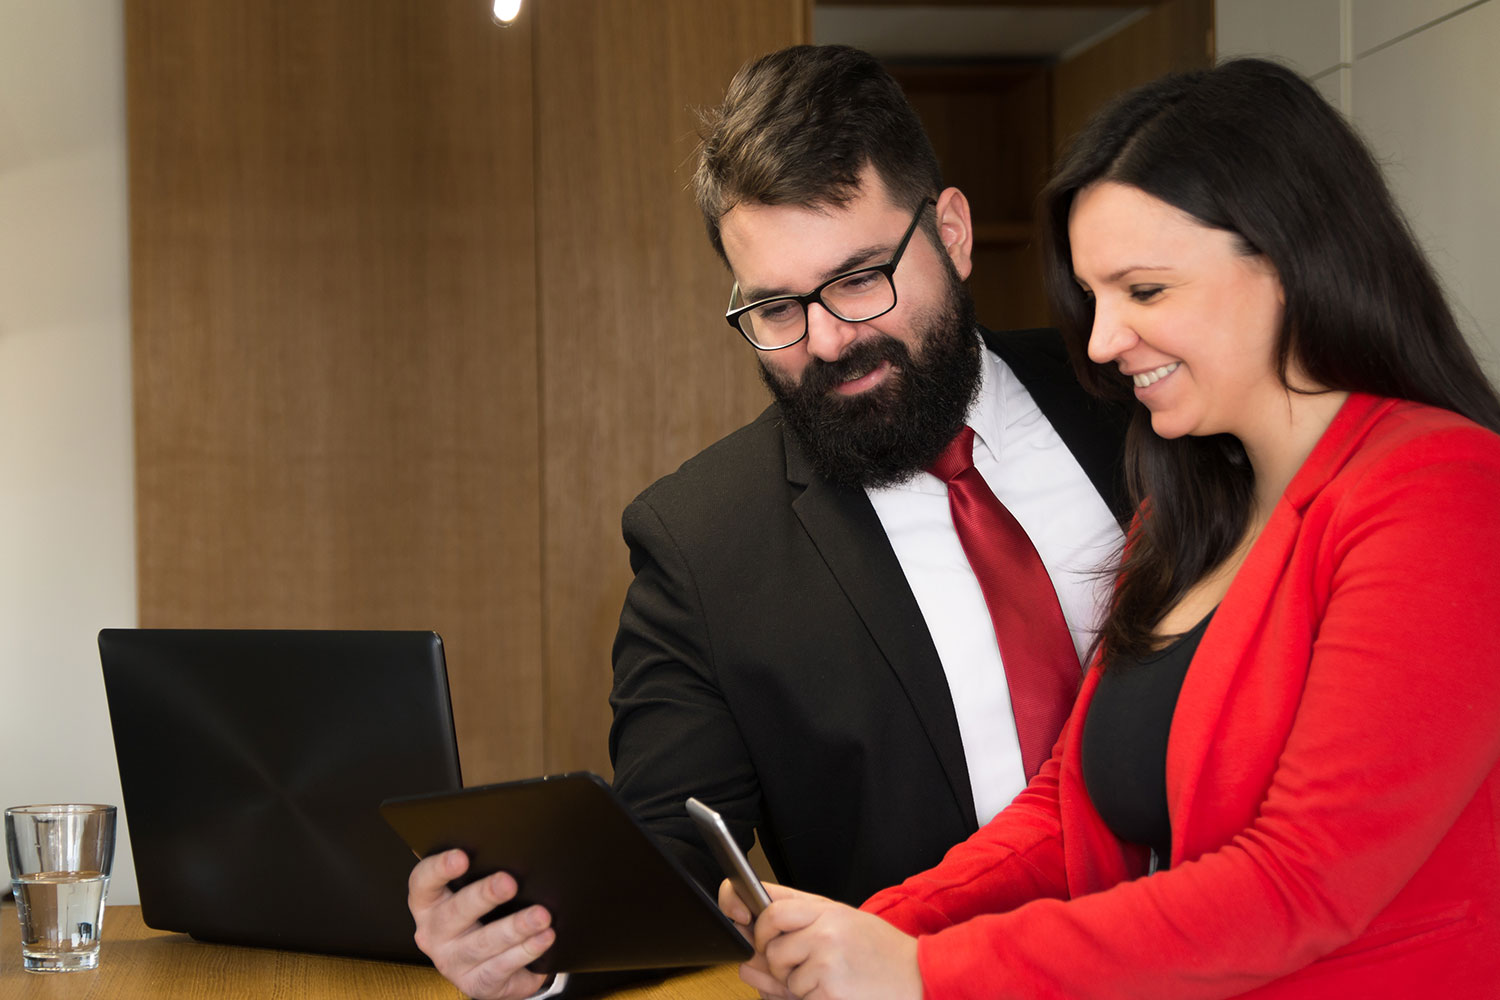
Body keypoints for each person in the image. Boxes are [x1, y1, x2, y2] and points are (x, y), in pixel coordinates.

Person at [722, 57, 1500, 1000]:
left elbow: (1299, 884)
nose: (1099, 342)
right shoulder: (1187, 507)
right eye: (1095, 298)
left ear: (1290, 259)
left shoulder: (1440, 490)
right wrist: (871, 931)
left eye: (1146, 291)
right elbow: (1068, 811)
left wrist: (926, 971)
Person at [407, 45, 1131, 999]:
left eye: (861, 278)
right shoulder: (703, 542)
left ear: (951, 232)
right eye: (775, 306)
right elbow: (667, 853)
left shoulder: (1134, 397)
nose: (828, 341)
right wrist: (525, 951)